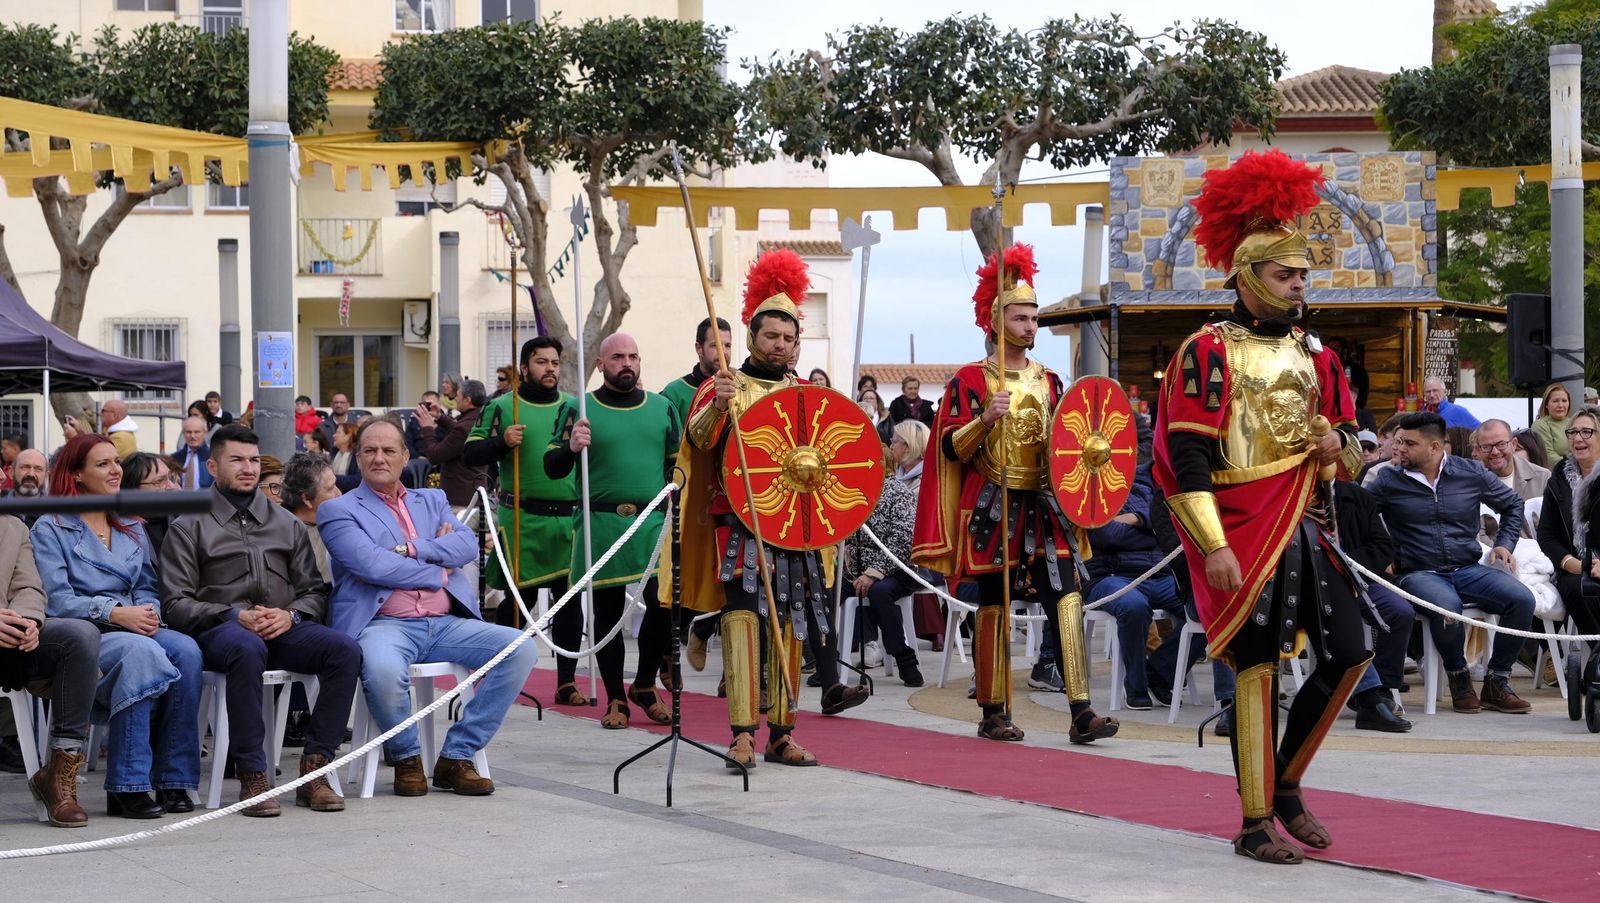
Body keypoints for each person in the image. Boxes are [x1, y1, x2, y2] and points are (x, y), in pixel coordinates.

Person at [1152, 150, 1371, 863]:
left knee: (1353, 650)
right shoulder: (1206, 351)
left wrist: (1334, 441)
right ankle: (1252, 822)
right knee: (1256, 666)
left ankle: (1285, 783)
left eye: (1304, 273)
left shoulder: (1319, 353)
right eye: (1286, 273)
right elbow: (1183, 457)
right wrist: (1211, 542)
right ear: (1247, 277)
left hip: (1306, 518)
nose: (1300, 283)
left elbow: (1355, 452)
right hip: (1241, 528)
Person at [913, 242, 1115, 746]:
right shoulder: (969, 380)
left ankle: (1081, 710)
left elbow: (1068, 441)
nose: (1030, 326)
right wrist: (985, 419)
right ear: (995, 319)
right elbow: (949, 448)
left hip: (1045, 506)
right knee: (993, 607)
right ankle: (993, 710)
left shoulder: (1050, 380)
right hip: (991, 505)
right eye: (1021, 318)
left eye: (1033, 318)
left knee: (1066, 597)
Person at [678, 250, 869, 768]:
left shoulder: (807, 393)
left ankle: (782, 735)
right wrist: (717, 405)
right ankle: (741, 734)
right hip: (741, 526)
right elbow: (698, 443)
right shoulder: (725, 386)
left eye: (788, 338)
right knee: (742, 621)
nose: (781, 345)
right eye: (771, 336)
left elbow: (833, 458)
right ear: (751, 337)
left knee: (793, 625)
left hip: (798, 528)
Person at [318, 415, 536, 797]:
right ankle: (406, 758)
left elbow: (467, 546)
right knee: (383, 671)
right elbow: (371, 564)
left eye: (389, 450)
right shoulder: (339, 510)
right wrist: (437, 570)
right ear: (358, 458)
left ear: (406, 457)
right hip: (383, 623)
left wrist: (412, 548)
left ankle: (457, 756)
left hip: (445, 620)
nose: (379, 458)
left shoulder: (432, 499)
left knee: (521, 648)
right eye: (370, 450)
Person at [160, 424, 359, 817]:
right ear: (213, 466)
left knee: (345, 650)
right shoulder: (188, 525)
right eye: (236, 460)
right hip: (221, 632)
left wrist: (291, 615)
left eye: (253, 460)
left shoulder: (285, 523)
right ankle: (253, 774)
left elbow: (315, 591)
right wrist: (235, 615)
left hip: (282, 627)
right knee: (247, 646)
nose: (248, 468)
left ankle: (314, 770)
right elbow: (175, 604)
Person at [31, 434, 202, 819]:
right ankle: (128, 785)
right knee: (139, 655)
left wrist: (149, 611)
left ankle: (174, 780)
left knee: (187, 651)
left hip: (132, 623)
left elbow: (145, 584)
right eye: (103, 464)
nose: (115, 470)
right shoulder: (50, 527)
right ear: (76, 476)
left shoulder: (130, 523)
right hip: (86, 631)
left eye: (116, 462)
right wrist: (114, 613)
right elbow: (56, 599)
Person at [544, 333, 678, 728]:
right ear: (601, 364)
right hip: (600, 520)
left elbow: (675, 468)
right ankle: (616, 698)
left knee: (663, 603)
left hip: (651, 520)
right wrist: (570, 446)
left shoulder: (663, 408)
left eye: (634, 356)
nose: (627, 363)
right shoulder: (579, 408)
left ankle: (645, 684)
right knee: (606, 612)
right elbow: (552, 466)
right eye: (618, 356)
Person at [1371, 412, 1534, 716]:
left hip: (1467, 568)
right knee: (1448, 606)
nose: (1400, 449)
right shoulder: (1388, 479)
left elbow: (1513, 504)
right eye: (1398, 441)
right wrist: (1382, 557)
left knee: (1523, 599)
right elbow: (1361, 518)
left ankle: (1497, 681)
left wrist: (1504, 544)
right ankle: (1459, 680)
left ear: (1435, 447)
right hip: (1418, 573)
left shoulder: (1470, 472)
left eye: (1409, 443)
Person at [464, 337, 584, 701]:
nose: (550, 368)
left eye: (554, 362)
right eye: (541, 362)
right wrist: (500, 442)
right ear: (524, 367)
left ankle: (566, 682)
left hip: (567, 518)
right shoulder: (502, 407)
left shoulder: (574, 407)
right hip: (521, 517)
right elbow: (470, 453)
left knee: (569, 601)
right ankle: (501, 669)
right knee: (519, 599)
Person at [0, 513, 100, 827]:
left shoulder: (12, 526)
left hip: (8, 641)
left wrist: (26, 620)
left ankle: (58, 772)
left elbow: (28, 586)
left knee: (79, 636)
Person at [662, 317, 734, 670]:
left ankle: (736, 677)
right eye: (715, 345)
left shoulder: (741, 386)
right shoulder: (674, 394)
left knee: (738, 585)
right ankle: (668, 655)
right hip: (691, 501)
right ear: (699, 348)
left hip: (733, 501)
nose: (723, 353)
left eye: (729, 345)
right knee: (688, 581)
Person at [844, 418, 931, 686]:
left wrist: (873, 573)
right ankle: (825, 661)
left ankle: (904, 657)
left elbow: (903, 541)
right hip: (859, 570)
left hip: (899, 569)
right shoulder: (857, 493)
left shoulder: (899, 494)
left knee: (880, 591)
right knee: (827, 590)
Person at [1330, 477, 1414, 732]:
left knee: (1400, 611)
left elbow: (1381, 546)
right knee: (1343, 617)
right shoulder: (1287, 494)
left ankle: (1384, 685)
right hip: (1312, 584)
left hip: (1359, 578)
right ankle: (1369, 694)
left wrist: (1351, 571)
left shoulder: (1357, 496)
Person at [1538, 408, 1600, 638]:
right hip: (1573, 566)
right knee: (1578, 589)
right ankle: (1597, 657)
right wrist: (1574, 564)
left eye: (1586, 432)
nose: (1578, 438)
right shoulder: (1559, 478)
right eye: (1573, 432)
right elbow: (1546, 535)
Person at [1472, 419, 1549, 541]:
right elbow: (1477, 535)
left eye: (1501, 444)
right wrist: (1504, 555)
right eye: (1486, 447)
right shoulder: (1471, 481)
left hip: (1538, 556)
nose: (1495, 452)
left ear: (1513, 444)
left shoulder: (1542, 478)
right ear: (1478, 450)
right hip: (1492, 556)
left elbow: (1553, 529)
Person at [418, 379, 489, 508]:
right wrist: (440, 416)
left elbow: (435, 456)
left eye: (458, 395)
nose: (455, 398)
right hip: (473, 493)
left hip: (460, 501)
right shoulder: (481, 419)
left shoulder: (463, 428)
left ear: (467, 400)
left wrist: (427, 428)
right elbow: (459, 427)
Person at [281, 452, 342, 584]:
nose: (339, 493)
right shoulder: (282, 537)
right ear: (306, 499)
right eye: (331, 488)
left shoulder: (339, 521)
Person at [121, 453, 181, 557]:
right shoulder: (120, 531)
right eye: (159, 481)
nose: (171, 486)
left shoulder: (182, 520)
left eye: (170, 478)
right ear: (133, 488)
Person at [1533, 384, 1573, 460]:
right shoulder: (1540, 425)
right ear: (1546, 405)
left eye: (1564, 401)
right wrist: (1574, 468)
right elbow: (1547, 455)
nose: (1560, 405)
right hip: (1557, 470)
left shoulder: (1575, 423)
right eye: (1555, 401)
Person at [173, 416, 213, 491]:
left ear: (205, 433)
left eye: (197, 432)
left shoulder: (213, 457)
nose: (192, 436)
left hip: (206, 500)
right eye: (189, 432)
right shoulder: (175, 458)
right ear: (183, 433)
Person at [405, 391, 446, 459]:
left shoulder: (445, 422)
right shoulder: (414, 421)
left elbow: (449, 444)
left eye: (431, 404)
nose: (428, 407)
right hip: (418, 459)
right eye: (425, 404)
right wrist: (417, 457)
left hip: (439, 460)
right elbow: (407, 443)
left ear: (439, 404)